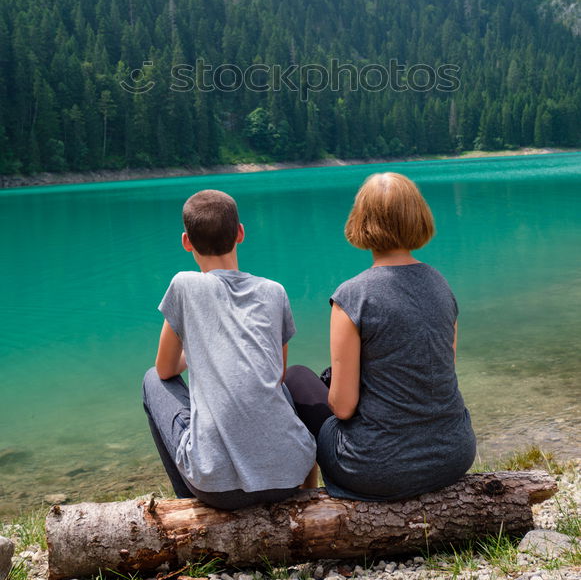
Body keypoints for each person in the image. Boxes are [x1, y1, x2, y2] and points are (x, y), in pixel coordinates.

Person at [285, 172, 476, 500]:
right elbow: (436, 374)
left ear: (361, 221)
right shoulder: (441, 285)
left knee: (298, 378)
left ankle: (306, 498)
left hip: (378, 468)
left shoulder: (353, 296)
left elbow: (343, 408)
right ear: (418, 218)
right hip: (454, 455)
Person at [142, 188, 316, 509]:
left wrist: (199, 352)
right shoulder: (273, 291)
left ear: (186, 242)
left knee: (152, 380)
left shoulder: (184, 285)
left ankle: (188, 502)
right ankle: (307, 492)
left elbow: (166, 369)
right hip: (289, 476)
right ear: (240, 233)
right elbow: (275, 375)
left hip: (217, 490)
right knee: (278, 389)